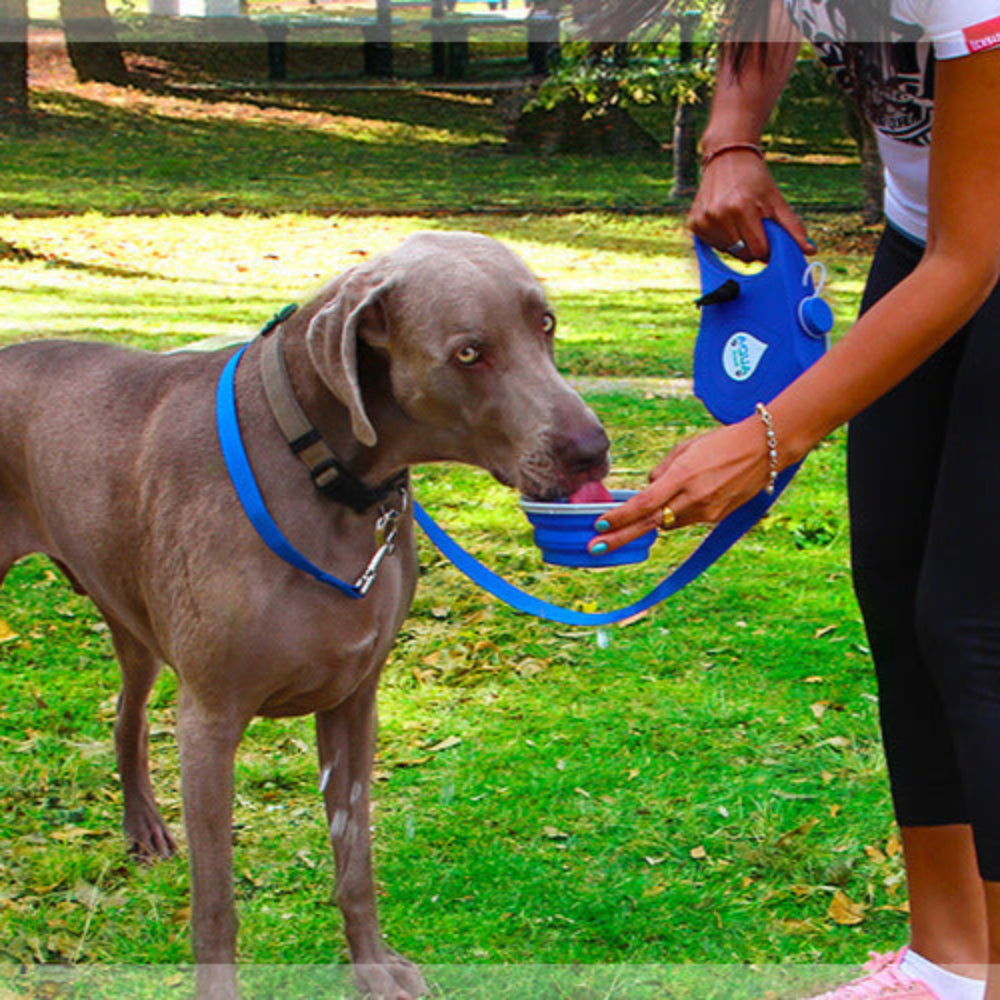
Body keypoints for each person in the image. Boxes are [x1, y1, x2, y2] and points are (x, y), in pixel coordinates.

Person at [584, 1, 1000, 997]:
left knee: (974, 621)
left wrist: (771, 435)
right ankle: (949, 964)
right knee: (896, 588)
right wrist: (732, 135)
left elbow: (972, 260)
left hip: (969, 245)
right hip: (929, 235)